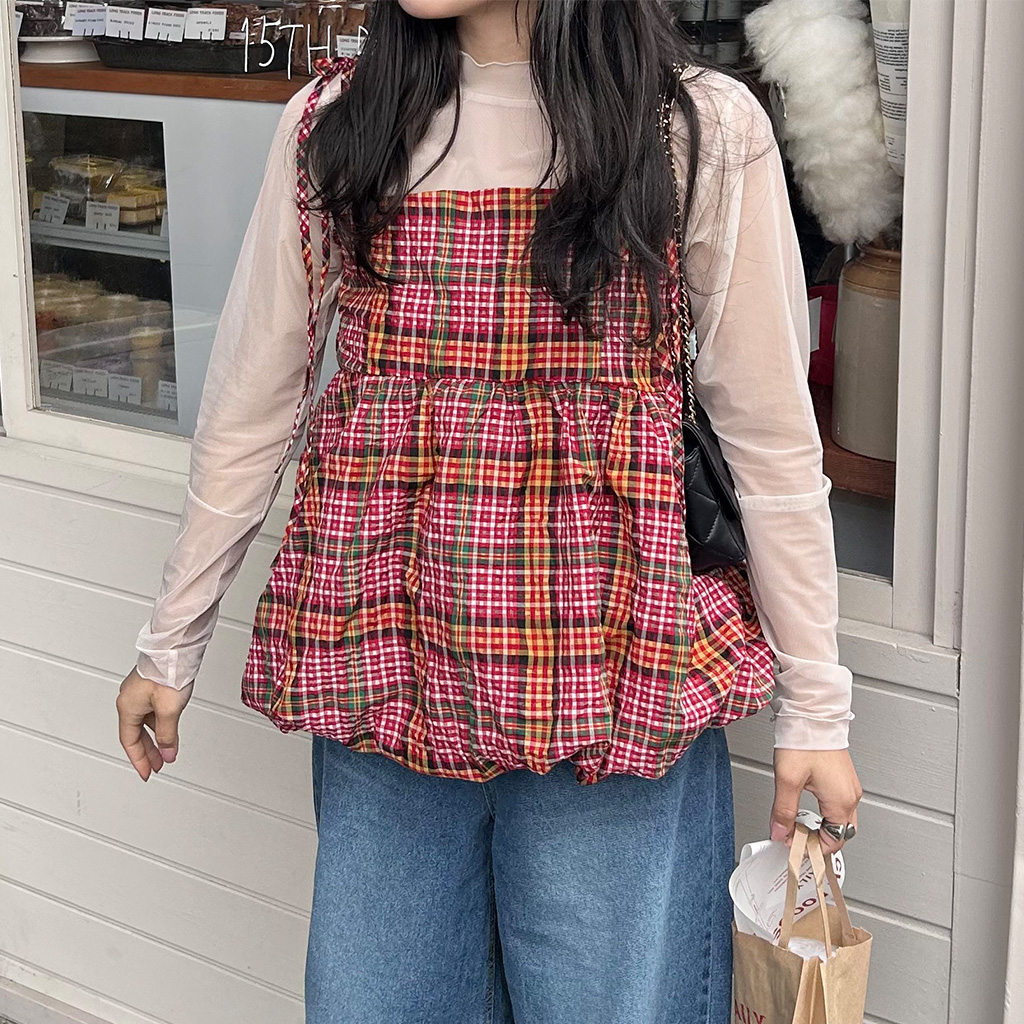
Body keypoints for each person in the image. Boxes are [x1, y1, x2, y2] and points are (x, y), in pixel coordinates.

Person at [116, 1, 862, 1021]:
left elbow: (769, 440)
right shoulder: (340, 125)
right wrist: (171, 643)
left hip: (613, 677)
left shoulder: (690, 130)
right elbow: (251, 406)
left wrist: (815, 705)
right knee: (374, 1002)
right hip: (388, 664)